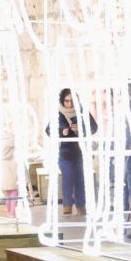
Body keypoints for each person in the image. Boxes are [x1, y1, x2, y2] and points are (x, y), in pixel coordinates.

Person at [52, 88, 93, 217]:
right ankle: (67, 204)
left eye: (71, 101)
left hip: (80, 152)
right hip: (65, 152)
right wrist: (61, 132)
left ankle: (81, 205)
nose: (69, 104)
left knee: (80, 179)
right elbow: (49, 130)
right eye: (66, 101)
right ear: (62, 101)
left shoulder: (82, 112)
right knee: (68, 177)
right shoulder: (57, 114)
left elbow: (93, 127)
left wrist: (80, 130)